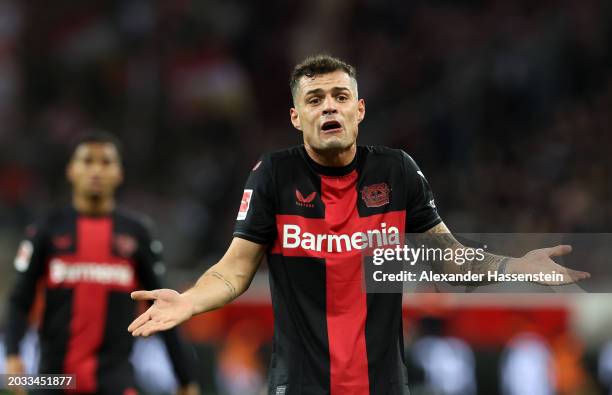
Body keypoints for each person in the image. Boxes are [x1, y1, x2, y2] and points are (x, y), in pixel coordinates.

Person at [128, 55, 590, 395]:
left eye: (339, 96)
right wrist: (189, 301)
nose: (329, 107)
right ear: (296, 117)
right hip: (301, 385)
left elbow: (449, 260)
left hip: (382, 384)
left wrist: (517, 267)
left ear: (359, 110)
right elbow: (234, 270)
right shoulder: (273, 175)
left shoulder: (397, 172)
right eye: (314, 99)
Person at [4, 131, 200, 395]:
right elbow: (20, 299)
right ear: (71, 170)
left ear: (119, 173)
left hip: (116, 382)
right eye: (87, 161)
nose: (96, 170)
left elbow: (162, 307)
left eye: (106, 162)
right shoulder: (46, 229)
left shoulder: (137, 233)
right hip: (54, 381)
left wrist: (185, 379)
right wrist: (14, 354)